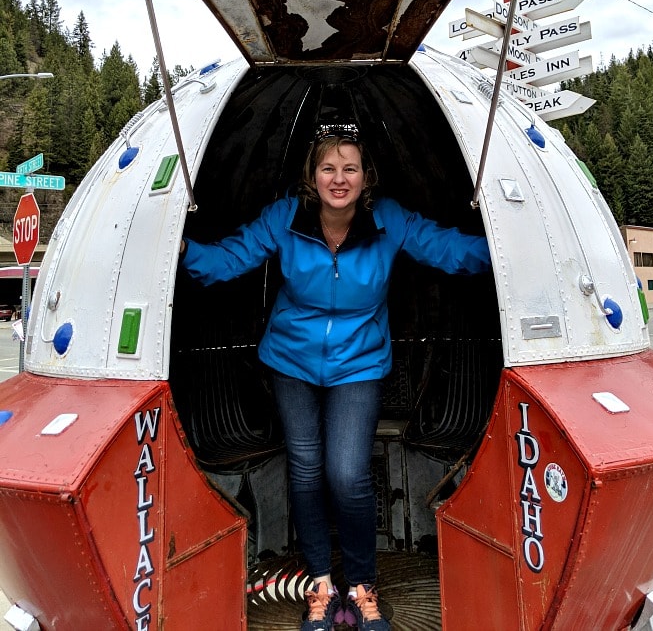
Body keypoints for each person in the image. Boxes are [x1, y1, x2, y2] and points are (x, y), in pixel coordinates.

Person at [179, 123, 491, 631]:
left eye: (350, 167)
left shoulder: (386, 220)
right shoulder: (286, 217)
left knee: (346, 473)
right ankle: (322, 585)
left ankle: (362, 586)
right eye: (328, 167)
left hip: (359, 363)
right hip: (291, 362)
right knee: (305, 468)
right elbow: (229, 257)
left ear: (366, 177)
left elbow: (444, 248)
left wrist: (501, 245)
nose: (339, 178)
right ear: (312, 175)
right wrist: (182, 250)